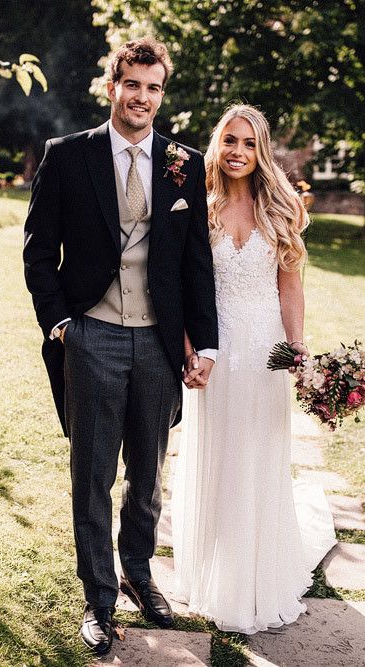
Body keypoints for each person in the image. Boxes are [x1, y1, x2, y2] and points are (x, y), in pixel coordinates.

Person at [22, 38, 218, 655]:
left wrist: (203, 344)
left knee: (148, 475)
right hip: (93, 335)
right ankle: (98, 601)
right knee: (93, 475)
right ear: (113, 87)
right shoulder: (68, 157)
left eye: (153, 87)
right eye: (132, 85)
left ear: (163, 93)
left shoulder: (184, 162)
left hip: (159, 342)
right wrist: (59, 324)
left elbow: (196, 263)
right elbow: (37, 251)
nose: (143, 97)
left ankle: (138, 571)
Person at [172, 104, 337, 634]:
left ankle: (258, 572)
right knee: (220, 451)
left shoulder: (281, 208)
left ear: (261, 150)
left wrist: (297, 349)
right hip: (216, 349)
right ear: (217, 146)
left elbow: (290, 287)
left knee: (260, 453)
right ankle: (215, 571)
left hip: (266, 349)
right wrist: (190, 349)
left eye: (248, 143)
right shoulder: (197, 206)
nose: (238, 152)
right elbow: (181, 286)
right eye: (229, 141)